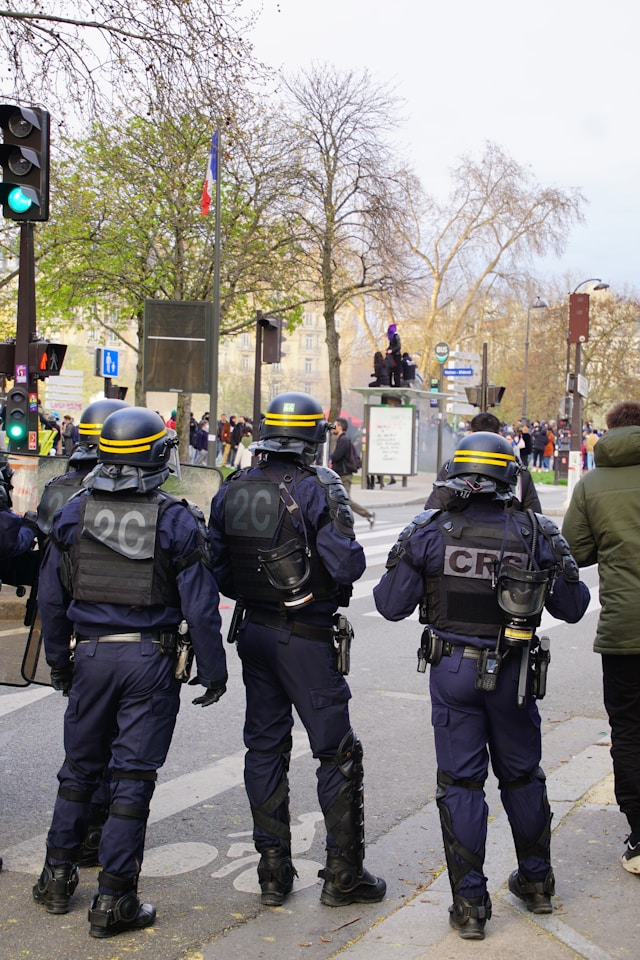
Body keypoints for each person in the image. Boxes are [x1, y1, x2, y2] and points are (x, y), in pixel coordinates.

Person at [373, 431, 590, 940]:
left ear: (456, 476)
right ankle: (536, 883)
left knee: (461, 784)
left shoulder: (431, 529)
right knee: (522, 776)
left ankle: (470, 906)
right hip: (513, 671)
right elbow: (574, 607)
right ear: (509, 477)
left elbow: (388, 603)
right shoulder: (535, 530)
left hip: (453, 671)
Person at [33, 407, 228, 938]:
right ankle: (115, 899)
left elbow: (50, 599)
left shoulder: (73, 513)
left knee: (79, 770)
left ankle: (56, 879)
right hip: (149, 661)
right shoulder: (177, 519)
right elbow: (201, 607)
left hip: (91, 656)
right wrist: (213, 670)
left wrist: (57, 661)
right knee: (132, 778)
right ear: (156, 456)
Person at [208, 392, 386, 909]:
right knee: (337, 753)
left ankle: (272, 873)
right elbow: (348, 566)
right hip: (304, 636)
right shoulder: (317, 489)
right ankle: (343, 876)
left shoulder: (232, 488)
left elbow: (217, 567)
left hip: (254, 633)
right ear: (313, 438)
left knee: (265, 748)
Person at [562, 400, 640, 874]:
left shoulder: (591, 484)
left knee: (629, 731)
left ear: (608, 433)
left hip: (624, 630)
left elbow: (574, 552)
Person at [426, 412, 541, 513]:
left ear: (470, 434)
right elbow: (533, 515)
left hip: (457, 535)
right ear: (499, 435)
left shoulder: (452, 466)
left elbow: (434, 508)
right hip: (506, 534)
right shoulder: (517, 470)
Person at [330, 418, 375, 529]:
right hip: (342, 473)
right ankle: (336, 521)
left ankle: (367, 515)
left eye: (335, 425)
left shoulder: (343, 440)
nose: (333, 428)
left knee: (346, 500)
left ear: (340, 427)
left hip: (344, 474)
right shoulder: (342, 439)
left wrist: (330, 456)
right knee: (335, 498)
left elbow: (337, 456)